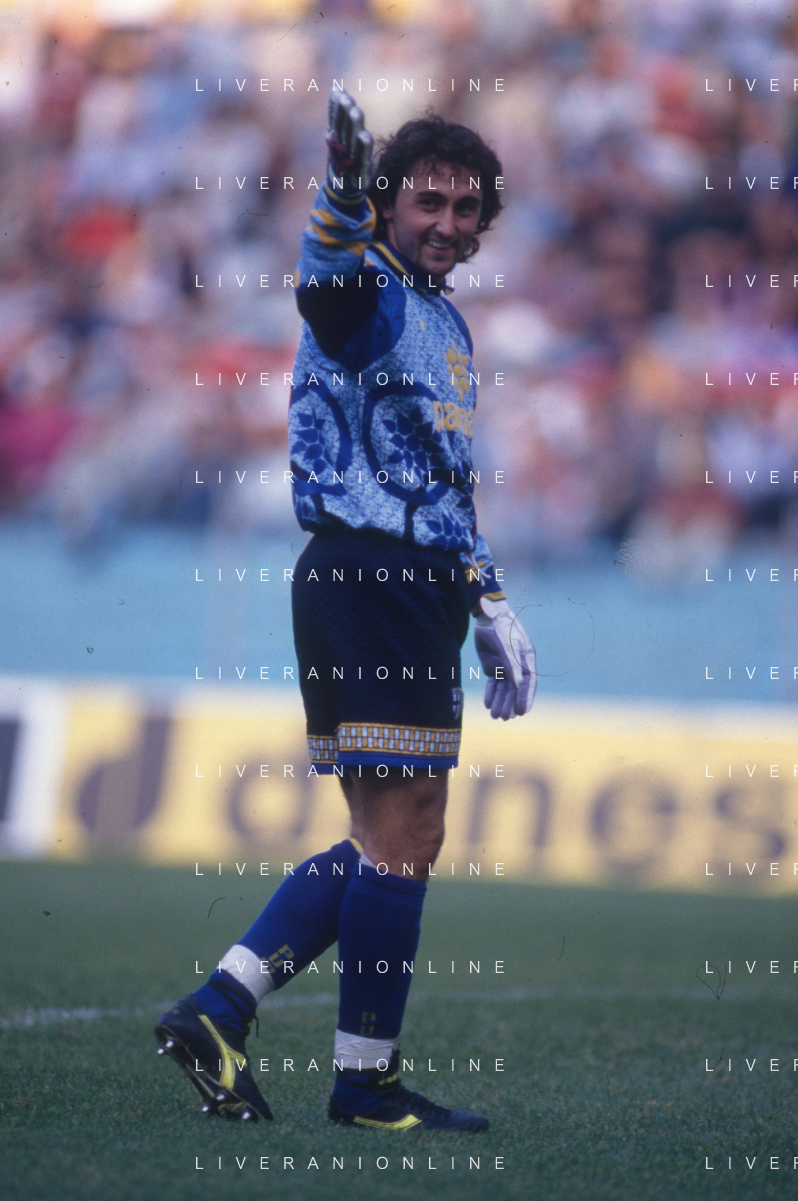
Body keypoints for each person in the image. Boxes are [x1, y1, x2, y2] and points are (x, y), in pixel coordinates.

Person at [155, 90, 536, 1133]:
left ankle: (224, 1006)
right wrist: (339, 190)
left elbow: (444, 477)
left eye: (467, 207)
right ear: (388, 205)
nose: (447, 222)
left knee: (394, 832)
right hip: (372, 578)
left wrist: (487, 594)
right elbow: (322, 279)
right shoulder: (365, 283)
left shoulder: (445, 319)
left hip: (411, 585)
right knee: (403, 831)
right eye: (428, 202)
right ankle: (359, 1081)